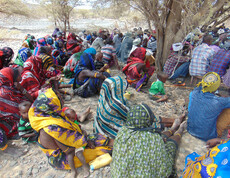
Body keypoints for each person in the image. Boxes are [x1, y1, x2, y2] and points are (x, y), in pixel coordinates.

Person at [29, 88, 112, 177]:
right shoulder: (51, 127)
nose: (62, 99)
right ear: (51, 104)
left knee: (98, 138)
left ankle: (109, 144)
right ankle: (82, 168)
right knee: (102, 150)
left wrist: (83, 138)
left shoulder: (51, 115)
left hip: (69, 144)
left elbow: (72, 134)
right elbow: (69, 149)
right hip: (63, 155)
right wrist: (85, 141)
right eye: (59, 98)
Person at [111, 103, 187, 177]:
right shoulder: (153, 138)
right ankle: (180, 130)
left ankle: (173, 129)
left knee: (160, 138)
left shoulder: (122, 132)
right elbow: (162, 166)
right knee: (170, 145)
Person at [187, 72, 230, 141]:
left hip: (190, 130)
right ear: (217, 86)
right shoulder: (219, 102)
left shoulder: (195, 92)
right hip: (208, 136)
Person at [0, 67, 33, 149]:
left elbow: (29, 102)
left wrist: (21, 89)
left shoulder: (11, 88)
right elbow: (25, 108)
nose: (21, 77)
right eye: (18, 75)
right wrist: (22, 89)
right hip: (7, 124)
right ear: (12, 77)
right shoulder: (5, 93)